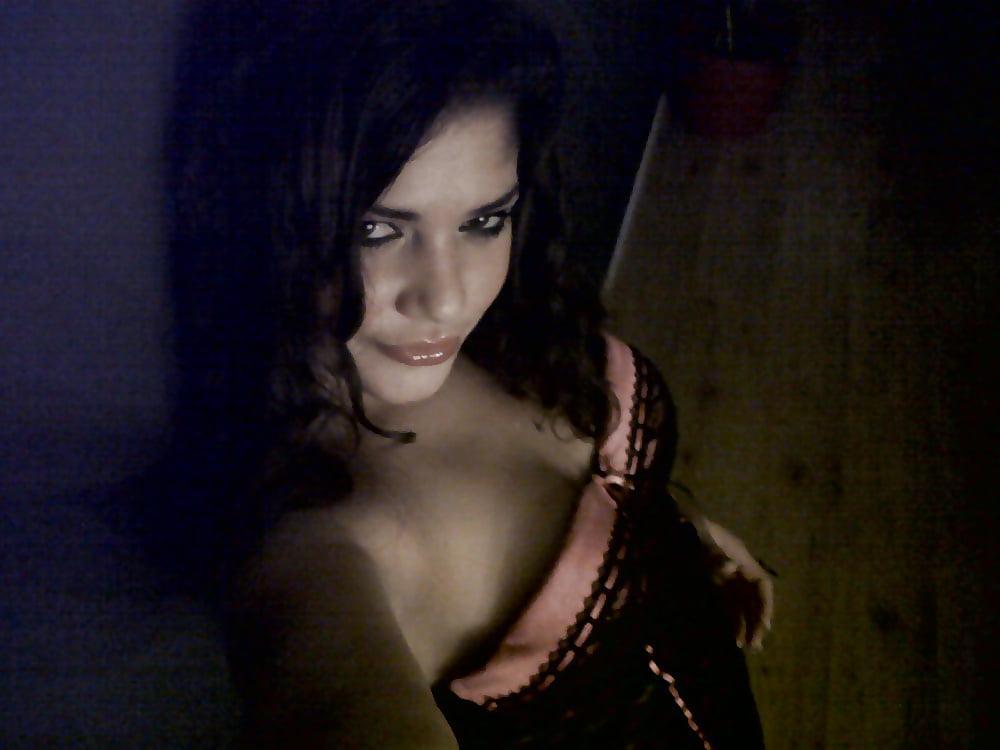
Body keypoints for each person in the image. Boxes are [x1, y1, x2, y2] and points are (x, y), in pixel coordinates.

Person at [166, 1, 773, 747]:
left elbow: (604, 492)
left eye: (483, 221)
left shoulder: (521, 328)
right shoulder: (324, 553)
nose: (450, 298)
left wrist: (683, 540)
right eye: (377, 230)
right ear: (260, 220)